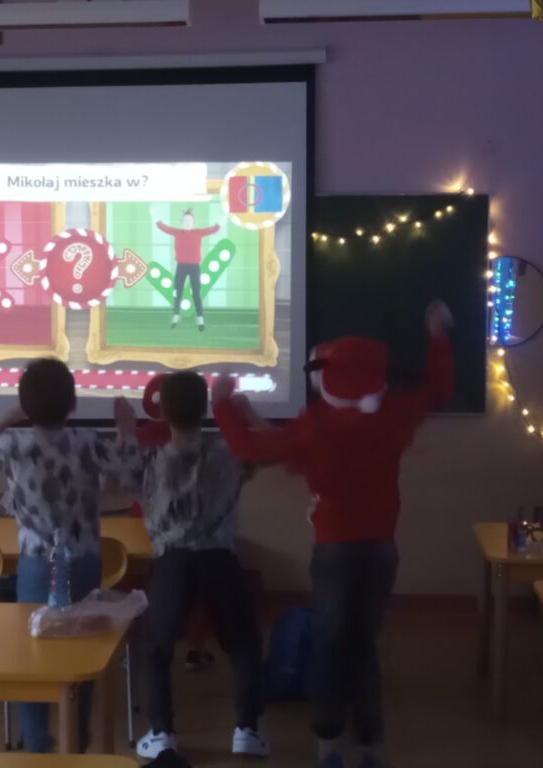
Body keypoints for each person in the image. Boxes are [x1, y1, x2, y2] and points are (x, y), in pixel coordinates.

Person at [212, 302, 455, 768]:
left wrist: (222, 403)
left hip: (335, 556)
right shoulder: (393, 413)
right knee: (362, 646)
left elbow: (251, 448)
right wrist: (438, 335)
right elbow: (438, 389)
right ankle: (370, 746)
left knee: (330, 645)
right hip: (381, 552)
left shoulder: (317, 426)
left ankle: (328, 745)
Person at [0, 358, 136, 753]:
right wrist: (126, 431)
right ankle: (77, 739)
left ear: (25, 405)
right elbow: (129, 472)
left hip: (36, 563)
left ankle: (38, 743)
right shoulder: (86, 441)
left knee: (34, 653)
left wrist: (5, 420)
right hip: (85, 560)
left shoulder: (11, 444)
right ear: (72, 403)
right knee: (83, 651)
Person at [112, 372, 270, 761]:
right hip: (219, 558)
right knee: (244, 644)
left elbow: (118, 475)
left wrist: (125, 429)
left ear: (162, 410)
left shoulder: (150, 460)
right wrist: (244, 413)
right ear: (204, 409)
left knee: (156, 647)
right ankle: (247, 729)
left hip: (172, 560)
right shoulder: (230, 452)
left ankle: (162, 733)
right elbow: (267, 447)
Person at [156, 209, 219, 331]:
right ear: (181, 221)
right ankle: (176, 315)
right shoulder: (177, 232)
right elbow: (163, 227)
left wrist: (221, 221)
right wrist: (155, 215)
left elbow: (213, 229)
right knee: (177, 292)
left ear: (194, 222)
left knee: (196, 293)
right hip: (181, 266)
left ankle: (200, 317)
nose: (187, 222)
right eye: (185, 220)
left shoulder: (198, 233)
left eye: (190, 220)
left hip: (194, 267)